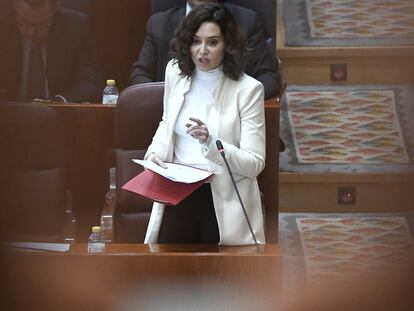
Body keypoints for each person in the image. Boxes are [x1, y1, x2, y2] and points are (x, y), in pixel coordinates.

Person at [144, 3, 266, 245]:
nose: (202, 50)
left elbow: (254, 164)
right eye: (196, 41)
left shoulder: (248, 90)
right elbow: (167, 122)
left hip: (221, 197)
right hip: (176, 190)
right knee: (167, 272)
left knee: (215, 277)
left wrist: (212, 143)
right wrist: (155, 152)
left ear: (227, 45)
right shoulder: (175, 73)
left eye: (212, 42)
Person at [129, 0, 280, 99]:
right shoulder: (159, 23)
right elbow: (140, 76)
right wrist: (171, 100)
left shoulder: (246, 21)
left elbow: (269, 78)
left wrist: (234, 99)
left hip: (230, 122)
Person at [0, 0, 102, 103]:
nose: (31, 33)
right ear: (15, 7)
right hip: (10, 113)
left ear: (54, 10)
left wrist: (58, 101)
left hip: (58, 114)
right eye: (23, 23)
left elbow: (91, 84)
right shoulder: (3, 26)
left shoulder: (76, 26)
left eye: (40, 25)